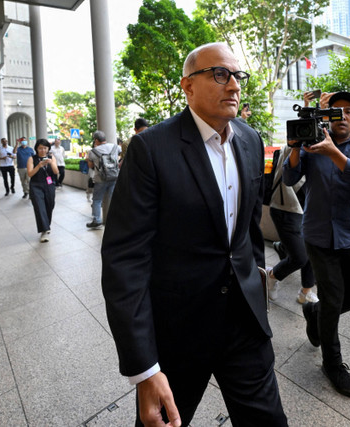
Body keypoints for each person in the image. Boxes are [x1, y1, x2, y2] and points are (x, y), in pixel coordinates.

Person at [101, 42, 287, 426]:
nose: (234, 85)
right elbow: (125, 260)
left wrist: (255, 282)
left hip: (244, 327)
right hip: (179, 333)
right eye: (220, 74)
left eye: (238, 76)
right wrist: (145, 369)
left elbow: (249, 232)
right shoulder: (151, 149)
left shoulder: (251, 142)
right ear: (187, 86)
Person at [283, 90, 350, 398]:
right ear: (327, 117)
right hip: (318, 236)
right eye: (336, 112)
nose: (343, 116)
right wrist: (296, 148)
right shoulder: (312, 144)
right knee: (334, 300)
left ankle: (315, 313)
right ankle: (332, 364)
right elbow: (288, 177)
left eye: (349, 111)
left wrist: (334, 152)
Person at [267, 144, 318, 304]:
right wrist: (297, 144)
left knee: (312, 250)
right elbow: (289, 174)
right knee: (300, 258)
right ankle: (272, 276)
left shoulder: (326, 145)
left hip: (309, 209)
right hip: (287, 208)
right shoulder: (294, 146)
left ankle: (306, 291)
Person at [26, 139, 58, 242]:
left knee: (50, 205)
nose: (43, 150)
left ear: (48, 148)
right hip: (36, 185)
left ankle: (46, 225)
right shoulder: (32, 158)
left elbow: (56, 171)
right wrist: (39, 165)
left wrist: (51, 163)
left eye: (45, 148)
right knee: (40, 207)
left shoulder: (51, 157)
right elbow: (30, 174)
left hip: (49, 185)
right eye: (40, 148)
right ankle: (44, 231)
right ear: (36, 148)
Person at [86, 131, 118, 229]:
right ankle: (115, 219)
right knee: (112, 198)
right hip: (114, 176)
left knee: (97, 200)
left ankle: (97, 220)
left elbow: (91, 166)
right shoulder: (115, 147)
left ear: (96, 140)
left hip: (101, 179)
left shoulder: (93, 151)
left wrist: (87, 159)